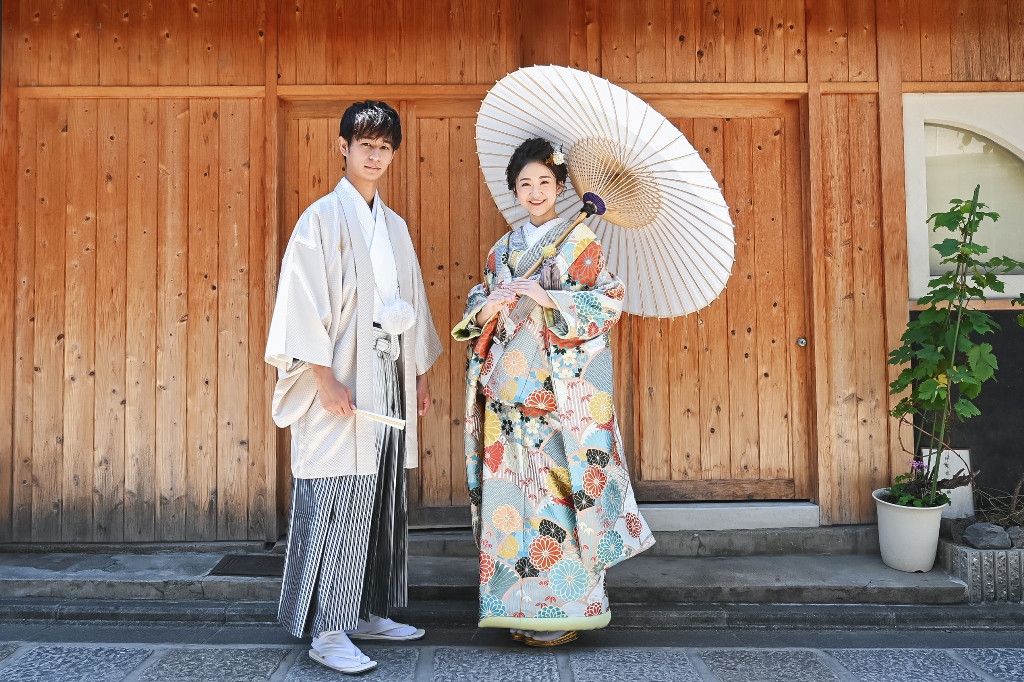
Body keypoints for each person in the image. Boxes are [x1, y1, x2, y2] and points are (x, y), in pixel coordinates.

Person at [452, 138, 655, 647]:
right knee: (510, 502)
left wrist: (550, 297)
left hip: (558, 398)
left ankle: (569, 607)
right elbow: (478, 305)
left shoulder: (581, 243)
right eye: (525, 183)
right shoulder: (502, 249)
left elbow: (607, 302)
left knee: (560, 504)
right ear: (514, 191)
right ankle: (514, 608)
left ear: (561, 187)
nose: (535, 191)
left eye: (545, 182)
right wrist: (491, 304)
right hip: (507, 395)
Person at [265, 100, 443, 674]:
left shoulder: (394, 226)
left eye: (384, 146)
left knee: (382, 497)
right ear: (343, 148)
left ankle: (365, 612)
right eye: (364, 144)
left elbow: (410, 303)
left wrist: (417, 375)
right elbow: (301, 303)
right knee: (337, 497)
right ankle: (327, 631)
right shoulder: (320, 218)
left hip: (386, 375)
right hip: (339, 378)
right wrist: (322, 378)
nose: (375, 154)